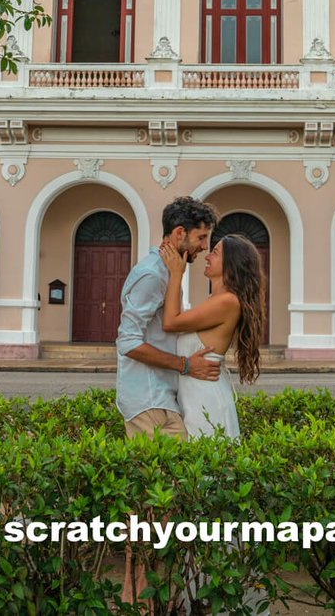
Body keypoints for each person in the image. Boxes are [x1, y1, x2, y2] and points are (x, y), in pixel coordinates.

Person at [115, 196, 220, 608]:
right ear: (180, 234)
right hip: (148, 402)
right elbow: (127, 341)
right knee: (153, 510)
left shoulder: (168, 271)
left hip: (163, 398)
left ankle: (151, 597)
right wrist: (185, 365)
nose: (202, 247)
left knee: (162, 510)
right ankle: (140, 599)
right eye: (201, 237)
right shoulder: (151, 274)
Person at [159, 232, 266, 439]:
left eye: (215, 253)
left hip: (206, 401)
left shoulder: (227, 302)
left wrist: (176, 274)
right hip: (196, 399)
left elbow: (170, 322)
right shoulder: (215, 300)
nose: (207, 256)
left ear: (231, 264)